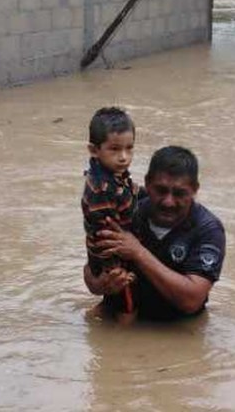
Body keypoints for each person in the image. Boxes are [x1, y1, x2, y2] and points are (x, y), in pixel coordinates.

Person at [84, 146, 226, 321]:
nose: (168, 202)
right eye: (161, 190)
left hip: (175, 328)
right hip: (120, 315)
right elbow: (91, 266)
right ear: (147, 183)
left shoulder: (208, 229)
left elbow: (192, 301)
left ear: (195, 190)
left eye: (179, 193)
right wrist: (100, 285)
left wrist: (138, 252)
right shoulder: (125, 206)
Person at [81, 107, 142, 318]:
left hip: (115, 259)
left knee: (112, 305)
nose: (124, 157)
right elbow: (106, 236)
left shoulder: (113, 173)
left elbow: (130, 190)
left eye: (129, 148)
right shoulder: (102, 189)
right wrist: (116, 272)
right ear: (94, 150)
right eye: (114, 149)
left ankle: (98, 314)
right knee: (128, 309)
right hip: (114, 265)